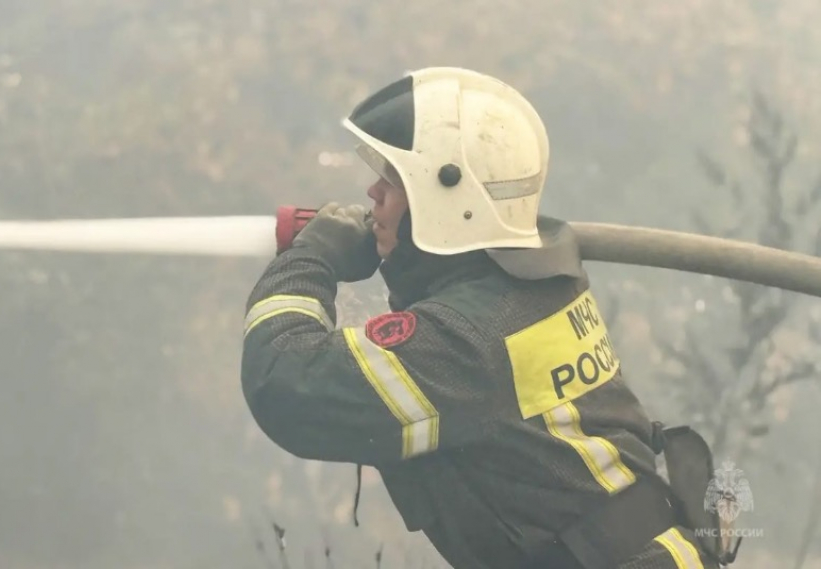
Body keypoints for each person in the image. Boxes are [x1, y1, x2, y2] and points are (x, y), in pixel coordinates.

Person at [240, 67, 724, 569]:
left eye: (393, 179)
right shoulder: (531, 286)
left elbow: (287, 384)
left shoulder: (468, 339)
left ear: (448, 195)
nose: (371, 194)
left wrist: (310, 258)